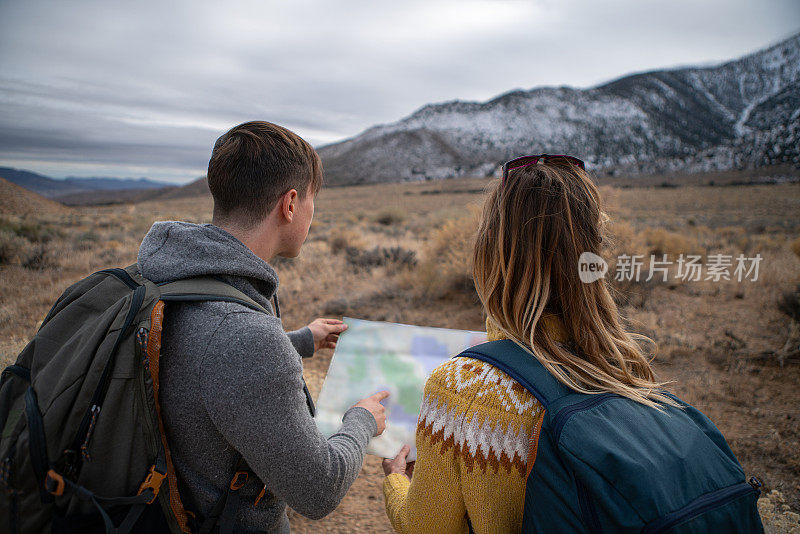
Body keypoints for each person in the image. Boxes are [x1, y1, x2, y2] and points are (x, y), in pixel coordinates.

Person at [380, 155, 677, 532]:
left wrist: (395, 480)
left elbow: (426, 528)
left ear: (492, 251)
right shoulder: (626, 366)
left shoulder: (462, 389)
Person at [136, 120, 388, 532]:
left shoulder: (177, 274)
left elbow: (201, 359)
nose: (312, 212)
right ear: (290, 205)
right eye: (311, 199)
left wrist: (302, 340)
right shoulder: (242, 335)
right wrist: (361, 419)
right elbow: (318, 490)